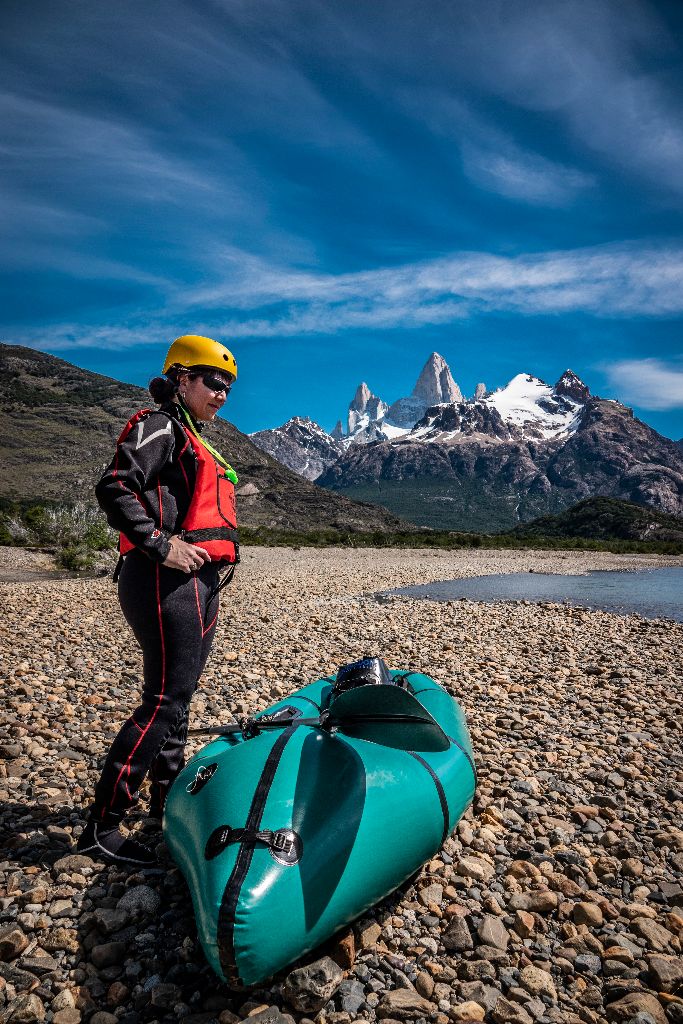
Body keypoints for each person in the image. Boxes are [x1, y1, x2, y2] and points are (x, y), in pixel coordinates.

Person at [77, 334, 240, 866]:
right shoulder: (160, 424)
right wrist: (160, 545)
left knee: (179, 697)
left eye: (228, 387)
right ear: (181, 378)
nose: (221, 393)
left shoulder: (191, 434)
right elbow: (116, 486)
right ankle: (102, 826)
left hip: (195, 584)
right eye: (213, 381)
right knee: (165, 701)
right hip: (165, 581)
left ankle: (164, 803)